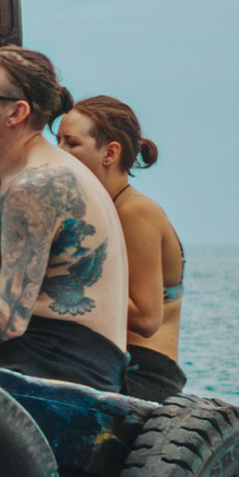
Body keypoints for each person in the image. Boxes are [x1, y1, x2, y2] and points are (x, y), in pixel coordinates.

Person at [0, 44, 129, 388]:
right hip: (82, 358)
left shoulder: (36, 184)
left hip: (63, 365)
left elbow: (8, 320)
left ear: (16, 113)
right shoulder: (43, 170)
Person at [59, 93, 186, 398]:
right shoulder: (97, 210)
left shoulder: (134, 212)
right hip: (102, 360)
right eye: (58, 141)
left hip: (143, 373)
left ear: (110, 153)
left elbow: (146, 317)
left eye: (71, 143)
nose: (59, 152)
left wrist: (59, 288)